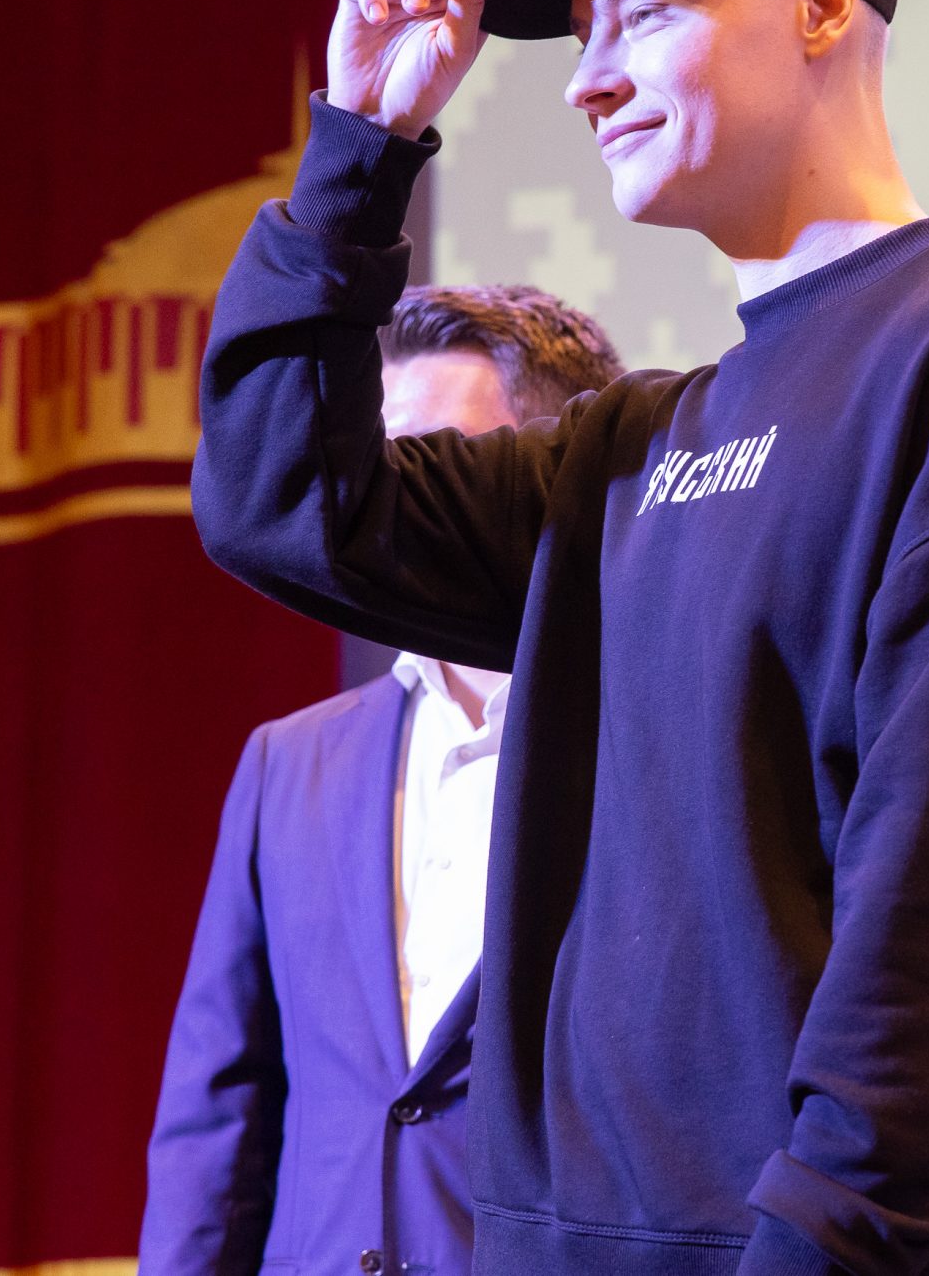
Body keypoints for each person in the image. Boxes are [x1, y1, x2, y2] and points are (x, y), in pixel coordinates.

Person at [193, 0, 929, 1276]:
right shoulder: (631, 450)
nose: (586, 82)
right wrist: (359, 156)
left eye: (638, 19)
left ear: (824, 3)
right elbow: (281, 504)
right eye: (580, 36)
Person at [142, 285, 626, 1276]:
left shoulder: (654, 745)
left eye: (438, 464)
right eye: (385, 463)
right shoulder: (293, 761)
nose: (399, 500)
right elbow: (218, 1109)